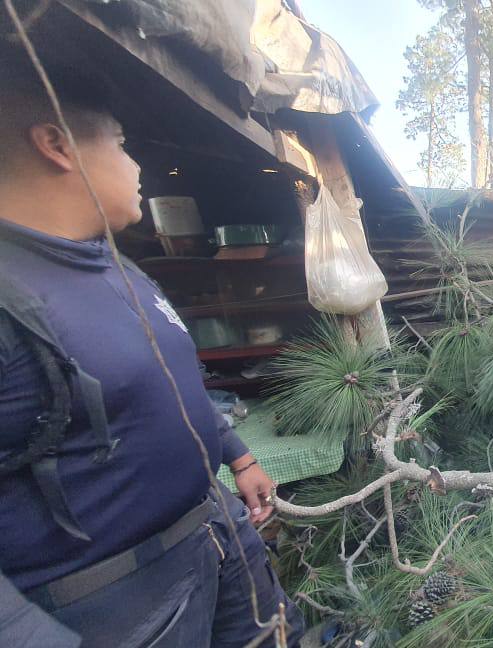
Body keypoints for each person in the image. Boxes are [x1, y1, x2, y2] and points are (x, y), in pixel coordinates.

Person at [0, 52, 303, 646]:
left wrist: (238, 457)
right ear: (57, 145)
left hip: (218, 537)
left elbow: (167, 383)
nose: (137, 165)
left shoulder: (118, 267)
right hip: (118, 601)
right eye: (120, 144)